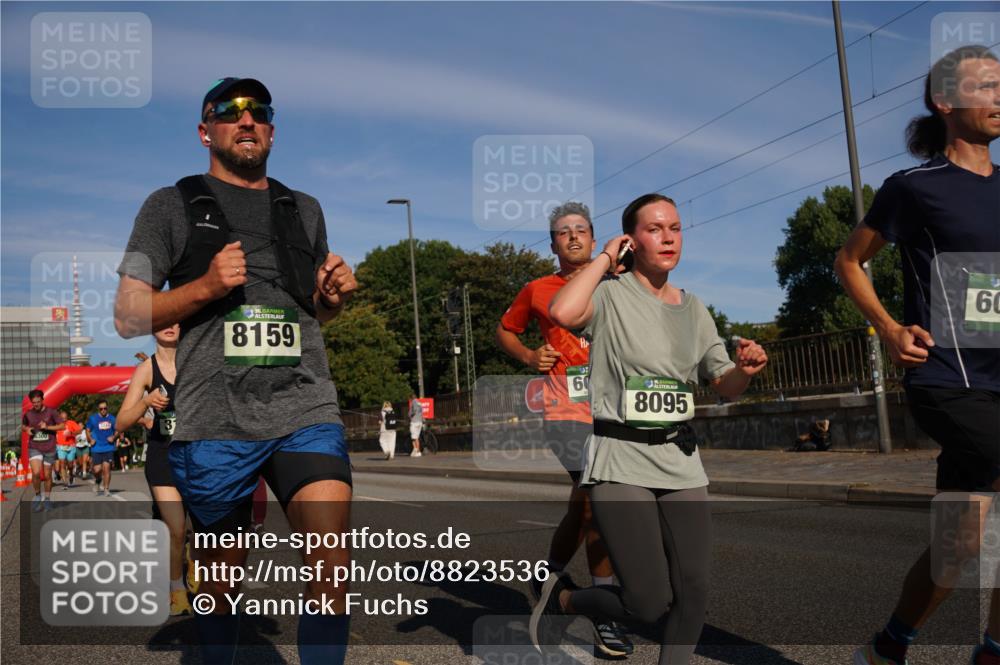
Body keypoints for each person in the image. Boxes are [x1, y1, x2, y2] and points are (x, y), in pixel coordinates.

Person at [114, 76, 357, 665]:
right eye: (228, 111)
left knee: (331, 558)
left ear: (271, 130)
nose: (245, 120)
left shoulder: (304, 208)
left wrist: (330, 297)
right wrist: (203, 286)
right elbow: (127, 314)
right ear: (206, 131)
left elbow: (311, 317)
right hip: (214, 415)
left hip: (305, 404)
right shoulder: (168, 205)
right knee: (221, 583)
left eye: (258, 112)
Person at [538, 193, 768, 664]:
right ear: (631, 239)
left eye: (675, 228)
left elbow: (725, 385)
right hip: (620, 461)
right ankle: (566, 600)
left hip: (680, 460)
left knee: (694, 591)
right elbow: (561, 313)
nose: (667, 237)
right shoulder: (607, 294)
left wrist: (745, 368)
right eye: (654, 228)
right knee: (647, 603)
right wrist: (605, 257)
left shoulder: (695, 307)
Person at [834, 45, 1000, 665]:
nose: (999, 97)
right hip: (947, 377)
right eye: (985, 86)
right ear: (945, 101)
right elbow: (850, 260)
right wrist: (887, 327)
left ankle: (887, 646)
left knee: (957, 543)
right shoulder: (914, 188)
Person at [497, 201, 633, 657]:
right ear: (553, 243)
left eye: (580, 230)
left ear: (595, 240)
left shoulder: (620, 284)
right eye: (562, 232)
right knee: (599, 503)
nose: (572, 237)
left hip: (617, 411)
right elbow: (505, 331)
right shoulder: (538, 289)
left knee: (585, 508)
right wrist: (529, 357)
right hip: (565, 413)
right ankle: (604, 611)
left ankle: (549, 578)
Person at [115, 323, 195, 616]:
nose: (171, 326)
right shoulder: (146, 370)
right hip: (163, 457)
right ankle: (176, 588)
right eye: (163, 320)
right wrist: (146, 401)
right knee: (176, 528)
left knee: (200, 528)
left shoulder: (196, 358)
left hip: (198, 455)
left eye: (177, 320)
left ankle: (194, 562)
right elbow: (121, 422)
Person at [21, 389, 66, 512]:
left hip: (49, 447)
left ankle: (47, 499)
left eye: (38, 401)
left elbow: (62, 426)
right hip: (34, 447)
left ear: (42, 400)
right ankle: (37, 495)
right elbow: (23, 426)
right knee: (35, 473)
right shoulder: (28, 414)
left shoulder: (51, 412)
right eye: (34, 402)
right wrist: (27, 429)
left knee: (47, 476)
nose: (36, 404)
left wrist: (48, 427)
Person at [86, 400, 118, 496]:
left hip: (108, 447)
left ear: (107, 408)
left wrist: (113, 437)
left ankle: (106, 489)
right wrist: (90, 439)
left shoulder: (112, 419)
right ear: (98, 409)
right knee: (97, 470)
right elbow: (87, 430)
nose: (103, 410)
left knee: (106, 468)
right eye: (101, 409)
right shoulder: (93, 419)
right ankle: (98, 480)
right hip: (96, 447)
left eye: (105, 408)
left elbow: (118, 430)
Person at [54, 410, 81, 489]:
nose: (64, 420)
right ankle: (65, 483)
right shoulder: (57, 424)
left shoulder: (71, 423)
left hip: (71, 446)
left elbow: (79, 430)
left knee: (70, 465)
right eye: (62, 418)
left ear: (67, 418)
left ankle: (71, 475)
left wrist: (71, 434)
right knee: (62, 464)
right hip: (60, 446)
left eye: (65, 418)